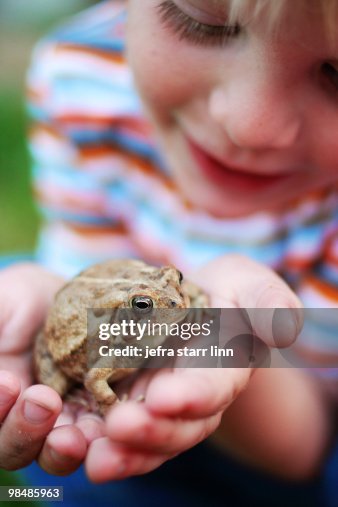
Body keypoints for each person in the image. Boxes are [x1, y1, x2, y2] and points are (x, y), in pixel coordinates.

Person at [0, 0, 337, 505]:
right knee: (18, 287)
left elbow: (309, 449)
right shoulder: (81, 81)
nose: (248, 125)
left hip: (294, 433)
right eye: (199, 21)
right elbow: (93, 358)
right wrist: (43, 289)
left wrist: (229, 349)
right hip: (91, 349)